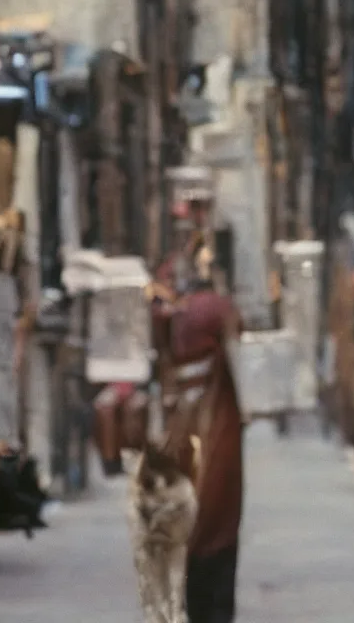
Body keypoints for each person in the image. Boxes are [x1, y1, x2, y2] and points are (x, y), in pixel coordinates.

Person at [156, 246, 244, 623]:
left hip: (180, 425)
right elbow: (241, 360)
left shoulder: (171, 313)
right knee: (218, 520)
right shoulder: (219, 309)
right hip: (217, 424)